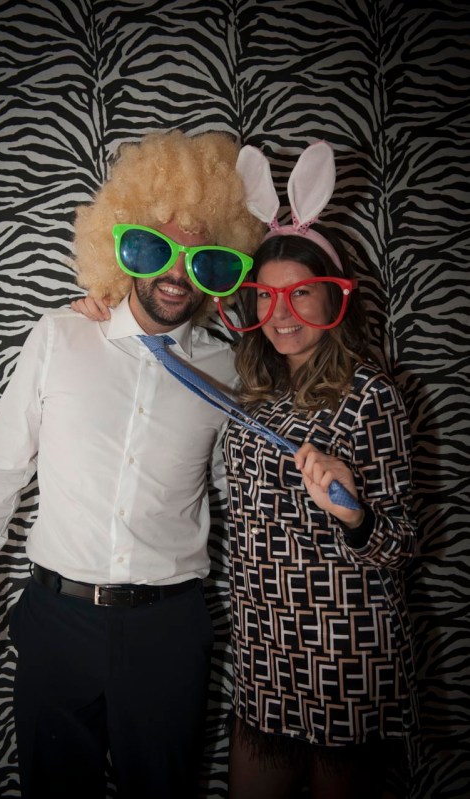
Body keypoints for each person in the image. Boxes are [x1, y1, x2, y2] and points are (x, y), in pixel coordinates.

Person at [0, 128, 265, 799]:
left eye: (201, 256)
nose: (176, 273)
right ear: (121, 246)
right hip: (58, 620)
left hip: (169, 629)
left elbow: (243, 491)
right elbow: (1, 466)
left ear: (222, 264)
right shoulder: (60, 336)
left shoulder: (228, 373)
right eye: (156, 247)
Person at [215, 142, 418, 798]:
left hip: (344, 655)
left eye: (300, 293)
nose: (281, 314)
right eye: (266, 297)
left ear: (332, 297)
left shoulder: (371, 394)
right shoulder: (255, 395)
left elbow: (402, 544)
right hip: (265, 654)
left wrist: (353, 512)